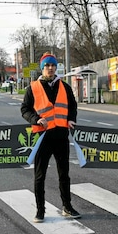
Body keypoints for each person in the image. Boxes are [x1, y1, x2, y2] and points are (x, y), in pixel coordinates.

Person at [21, 52, 80, 222]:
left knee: (64, 174)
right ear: (42, 68)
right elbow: (25, 109)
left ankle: (67, 207)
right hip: (42, 136)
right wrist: (36, 119)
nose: (50, 68)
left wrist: (71, 120)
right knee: (40, 175)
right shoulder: (33, 88)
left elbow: (72, 106)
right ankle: (40, 210)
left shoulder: (65, 86)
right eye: (47, 65)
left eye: (53, 65)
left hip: (61, 135)